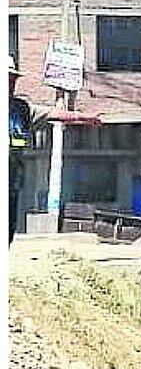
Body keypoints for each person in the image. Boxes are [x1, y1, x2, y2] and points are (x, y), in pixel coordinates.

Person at [9, 55, 99, 243]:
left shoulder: (21, 109)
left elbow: (53, 114)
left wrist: (83, 117)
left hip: (11, 183)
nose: (10, 84)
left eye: (13, 79)